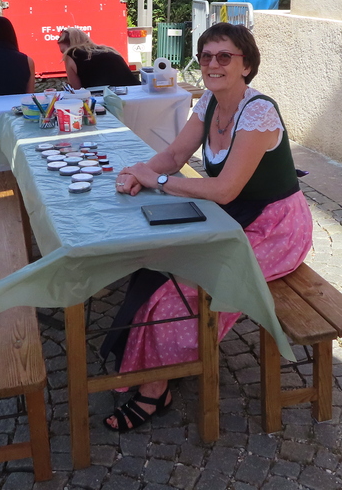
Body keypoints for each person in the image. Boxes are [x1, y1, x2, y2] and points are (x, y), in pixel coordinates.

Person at [105, 22, 313, 432]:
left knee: (183, 292)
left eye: (224, 56)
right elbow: (174, 155)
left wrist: (157, 180)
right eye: (206, 56)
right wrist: (139, 172)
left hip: (275, 226)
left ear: (246, 65)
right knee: (157, 264)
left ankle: (156, 389)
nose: (212, 64)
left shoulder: (259, 112)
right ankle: (149, 363)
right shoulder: (209, 104)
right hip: (234, 217)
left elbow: (223, 189)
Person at [57, 27, 139, 89]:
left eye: (63, 51)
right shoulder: (109, 50)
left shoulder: (71, 54)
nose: (64, 54)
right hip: (135, 91)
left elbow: (76, 89)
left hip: (106, 97)